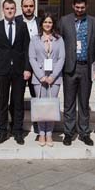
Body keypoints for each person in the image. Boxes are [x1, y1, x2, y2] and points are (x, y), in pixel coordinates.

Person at [57, 0, 95, 146]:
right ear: (73, 6)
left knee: (84, 103)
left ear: (86, 6)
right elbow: (58, 43)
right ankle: (68, 133)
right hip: (69, 67)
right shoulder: (64, 21)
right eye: (77, 7)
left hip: (86, 67)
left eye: (82, 7)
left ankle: (84, 133)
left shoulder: (94, 22)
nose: (80, 10)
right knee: (69, 103)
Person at [0, 0, 31, 145]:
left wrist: (27, 68)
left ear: (15, 10)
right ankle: (3, 132)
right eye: (7, 8)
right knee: (2, 102)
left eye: (12, 8)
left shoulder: (22, 26)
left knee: (18, 102)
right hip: (2, 70)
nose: (10, 11)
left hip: (19, 70)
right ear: (3, 10)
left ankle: (18, 131)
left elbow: (27, 48)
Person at [28, 14, 65, 147]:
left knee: (51, 106)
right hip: (39, 78)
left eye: (50, 22)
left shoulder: (59, 39)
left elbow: (61, 58)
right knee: (41, 106)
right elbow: (32, 58)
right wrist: (41, 76)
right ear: (41, 24)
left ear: (53, 24)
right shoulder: (35, 39)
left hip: (54, 78)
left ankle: (49, 134)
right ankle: (41, 133)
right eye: (45, 22)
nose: (47, 24)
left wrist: (52, 76)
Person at [15, 0, 40, 133]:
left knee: (36, 97)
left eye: (31, 6)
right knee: (17, 97)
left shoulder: (41, 22)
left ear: (34, 7)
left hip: (37, 66)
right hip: (19, 66)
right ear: (21, 7)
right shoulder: (15, 21)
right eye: (26, 6)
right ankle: (16, 125)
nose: (28, 9)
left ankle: (38, 124)